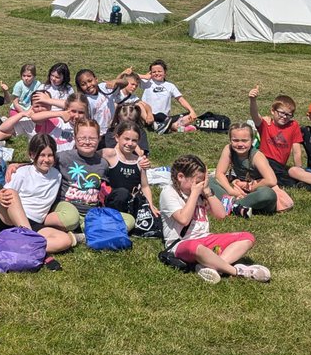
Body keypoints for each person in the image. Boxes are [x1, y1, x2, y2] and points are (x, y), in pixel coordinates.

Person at [158, 154, 271, 284]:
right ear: (180, 177)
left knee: (246, 237)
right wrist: (195, 194)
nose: (200, 184)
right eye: (197, 181)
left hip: (206, 238)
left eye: (202, 180)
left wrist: (207, 191)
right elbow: (183, 219)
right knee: (197, 247)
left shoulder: (202, 191)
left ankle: (213, 266)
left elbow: (221, 215)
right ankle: (238, 271)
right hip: (182, 243)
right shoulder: (169, 192)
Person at [0, 134, 81, 271]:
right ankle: (41, 252)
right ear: (32, 155)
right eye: (42, 155)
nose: (46, 159)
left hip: (34, 223)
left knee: (65, 240)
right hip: (10, 218)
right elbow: (3, 197)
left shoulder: (56, 175)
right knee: (11, 193)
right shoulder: (21, 172)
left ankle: (12, 245)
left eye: (50, 155)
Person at [210, 123, 289, 215]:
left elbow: (271, 181)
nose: (240, 144)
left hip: (257, 191)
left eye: (244, 141)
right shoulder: (228, 149)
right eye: (235, 140)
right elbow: (219, 174)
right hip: (240, 190)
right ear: (230, 140)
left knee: (267, 194)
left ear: (251, 141)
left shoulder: (257, 156)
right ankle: (237, 205)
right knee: (208, 181)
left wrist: (252, 188)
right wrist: (231, 191)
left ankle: (233, 205)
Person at [54, 117, 107, 219]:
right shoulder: (62, 157)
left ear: (99, 139)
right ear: (74, 137)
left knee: (129, 220)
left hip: (91, 212)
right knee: (71, 218)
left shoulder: (103, 163)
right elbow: (41, 162)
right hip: (66, 210)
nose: (87, 142)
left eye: (92, 138)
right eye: (82, 138)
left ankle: (84, 228)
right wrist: (15, 165)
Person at [248, 86, 301, 188]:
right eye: (281, 113)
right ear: (273, 111)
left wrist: (299, 169)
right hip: (264, 160)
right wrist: (252, 100)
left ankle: (262, 181)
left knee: (289, 179)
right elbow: (254, 114)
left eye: (289, 114)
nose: (284, 117)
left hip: (279, 165)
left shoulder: (293, 125)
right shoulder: (266, 124)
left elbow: (296, 150)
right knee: (284, 179)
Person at [102, 121, 154, 217]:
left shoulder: (139, 161)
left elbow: (145, 186)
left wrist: (150, 205)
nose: (130, 143)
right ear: (117, 138)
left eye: (134, 140)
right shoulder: (109, 154)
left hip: (130, 203)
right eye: (126, 139)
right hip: (112, 202)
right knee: (122, 193)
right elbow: (90, 157)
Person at [139, 60, 197, 133]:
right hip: (149, 116)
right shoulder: (146, 83)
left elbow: (181, 99)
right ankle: (174, 127)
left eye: (159, 71)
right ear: (150, 73)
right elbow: (129, 76)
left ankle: (170, 127)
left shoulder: (170, 86)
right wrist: (144, 76)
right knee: (159, 115)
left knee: (190, 116)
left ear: (165, 72)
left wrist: (192, 111)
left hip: (166, 118)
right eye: (154, 72)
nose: (157, 73)